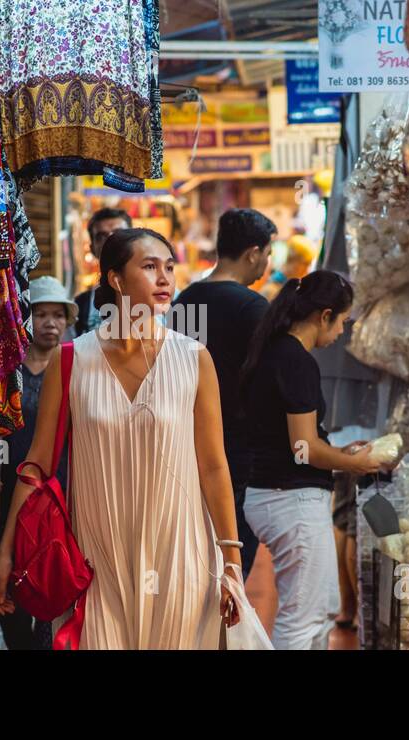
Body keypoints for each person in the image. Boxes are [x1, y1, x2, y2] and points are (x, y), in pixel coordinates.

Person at [0, 228, 244, 649]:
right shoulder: (72, 360)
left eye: (169, 267)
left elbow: (214, 466)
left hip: (180, 551)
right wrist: (6, 554)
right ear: (116, 280)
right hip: (95, 558)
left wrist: (231, 562)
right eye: (149, 266)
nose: (164, 278)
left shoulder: (195, 359)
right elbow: (36, 465)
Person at [240, 270, 383, 650]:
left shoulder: (274, 351)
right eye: (342, 322)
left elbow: (296, 439)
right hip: (289, 499)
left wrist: (339, 452)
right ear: (324, 316)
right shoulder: (295, 360)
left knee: (317, 611)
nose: (340, 333)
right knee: (303, 619)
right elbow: (304, 447)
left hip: (276, 494)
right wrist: (355, 463)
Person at [0, 276, 76, 649]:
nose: (51, 323)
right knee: (9, 586)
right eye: (41, 314)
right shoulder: (1, 374)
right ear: (24, 318)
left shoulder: (78, 370)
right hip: (6, 495)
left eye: (58, 315)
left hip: (60, 498)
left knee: (52, 583)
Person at [169, 208, 276, 580]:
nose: (266, 263)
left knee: (193, 547)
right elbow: (270, 383)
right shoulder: (253, 307)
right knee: (233, 549)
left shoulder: (185, 300)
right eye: (267, 253)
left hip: (185, 441)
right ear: (252, 253)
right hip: (237, 450)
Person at [73, 207, 133, 334]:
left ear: (134, 242)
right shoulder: (79, 307)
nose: (111, 240)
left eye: (119, 234)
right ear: (92, 248)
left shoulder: (162, 296)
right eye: (101, 236)